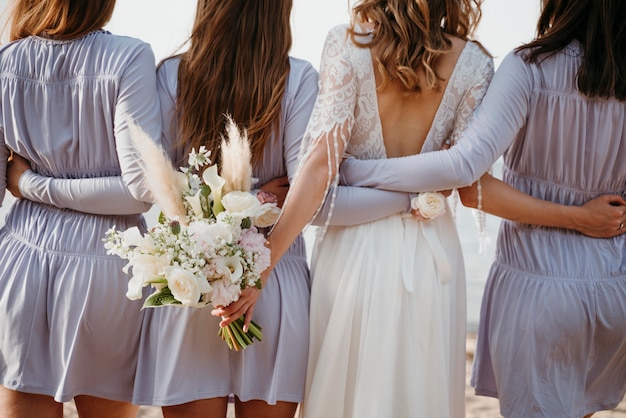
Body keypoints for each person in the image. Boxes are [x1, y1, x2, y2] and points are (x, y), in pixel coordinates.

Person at [329, 0, 626, 416]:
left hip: (539, 289)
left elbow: (467, 177)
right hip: (614, 289)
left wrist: (357, 173)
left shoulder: (530, 67)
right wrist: (596, 217)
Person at [218, 0, 493, 416]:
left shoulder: (348, 44)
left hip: (354, 252)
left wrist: (264, 265)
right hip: (432, 247)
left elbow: (318, 170)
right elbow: (459, 175)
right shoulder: (474, 62)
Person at [128, 1, 317, 417]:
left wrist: (225, 203)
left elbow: (160, 184)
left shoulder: (171, 76)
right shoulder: (300, 79)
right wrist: (261, 196)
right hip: (273, 271)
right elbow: (303, 189)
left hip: (189, 280)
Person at [0, 0, 161, 417]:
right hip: (109, 267)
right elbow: (138, 191)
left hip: (20, 259)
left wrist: (32, 183)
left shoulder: (7, 62)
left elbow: (9, 183)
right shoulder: (130, 55)